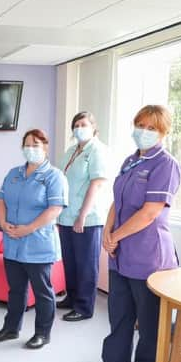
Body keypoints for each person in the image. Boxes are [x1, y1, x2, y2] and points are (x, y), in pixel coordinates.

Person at [81, 105, 181, 362]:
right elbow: (117, 202)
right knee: (120, 314)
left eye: (152, 127)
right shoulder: (130, 161)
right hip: (121, 254)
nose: (144, 131)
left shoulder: (166, 164)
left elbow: (150, 212)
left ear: (163, 131)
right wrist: (108, 234)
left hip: (149, 257)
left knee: (148, 322)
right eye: (140, 125)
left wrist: (117, 237)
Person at [0, 129, 67, 349]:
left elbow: (55, 209)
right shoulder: (13, 173)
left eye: (36, 144)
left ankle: (43, 333)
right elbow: (2, 201)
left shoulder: (54, 176)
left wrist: (28, 228)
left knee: (43, 291)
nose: (31, 148)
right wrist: (3, 223)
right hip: (13, 242)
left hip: (38, 243)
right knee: (16, 290)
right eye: (27, 144)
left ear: (45, 147)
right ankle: (11, 328)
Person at [57, 111, 109, 322]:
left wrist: (82, 216)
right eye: (76, 125)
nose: (79, 128)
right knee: (70, 261)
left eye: (83, 124)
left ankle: (84, 306)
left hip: (87, 218)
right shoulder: (71, 151)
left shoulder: (97, 150)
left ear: (93, 127)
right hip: (66, 216)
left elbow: (96, 184)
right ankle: (71, 297)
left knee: (86, 263)